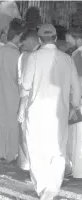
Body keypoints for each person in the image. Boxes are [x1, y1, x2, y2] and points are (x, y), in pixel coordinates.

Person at [18, 24, 81, 200]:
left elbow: (25, 87)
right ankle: (52, 189)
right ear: (55, 38)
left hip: (36, 111)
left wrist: (21, 107)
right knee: (58, 149)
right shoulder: (67, 59)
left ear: (39, 39)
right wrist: (74, 106)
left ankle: (42, 188)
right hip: (59, 112)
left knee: (36, 149)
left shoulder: (33, 58)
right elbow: (76, 86)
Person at [0, 18, 24, 162]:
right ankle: (11, 155)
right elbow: (19, 78)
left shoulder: (1, 50)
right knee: (13, 127)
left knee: (2, 126)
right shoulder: (16, 54)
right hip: (13, 95)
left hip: (0, 93)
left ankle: (0, 153)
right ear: (17, 36)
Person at [17, 29, 41, 171]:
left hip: (30, 102)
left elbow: (24, 84)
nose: (22, 45)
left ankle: (31, 166)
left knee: (27, 134)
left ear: (31, 41)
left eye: (24, 42)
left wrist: (21, 106)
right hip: (40, 102)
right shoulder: (28, 55)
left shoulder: (28, 57)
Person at [65, 28, 82, 179]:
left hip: (80, 98)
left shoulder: (77, 54)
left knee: (78, 136)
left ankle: (78, 170)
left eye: (68, 37)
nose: (67, 40)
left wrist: (74, 102)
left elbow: (78, 80)